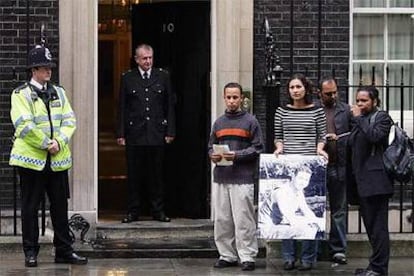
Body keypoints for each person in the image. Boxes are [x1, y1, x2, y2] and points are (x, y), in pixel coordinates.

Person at [9, 45, 87, 267]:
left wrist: (59, 141)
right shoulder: (20, 94)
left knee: (60, 207)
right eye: (45, 68)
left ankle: (64, 249)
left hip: (57, 160)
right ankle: (31, 252)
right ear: (34, 70)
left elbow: (70, 119)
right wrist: (45, 143)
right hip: (31, 161)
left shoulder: (59, 92)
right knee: (30, 208)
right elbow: (23, 125)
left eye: (50, 67)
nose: (49, 71)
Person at [274, 73, 327, 271]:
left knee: (310, 211)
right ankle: (288, 257)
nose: (295, 90)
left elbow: (322, 135)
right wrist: (279, 148)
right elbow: (278, 135)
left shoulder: (317, 111)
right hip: (289, 163)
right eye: (291, 87)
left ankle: (307, 258)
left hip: (310, 165)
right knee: (288, 210)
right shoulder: (281, 111)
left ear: (305, 88)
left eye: (298, 87)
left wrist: (320, 148)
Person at [116, 44, 175, 223]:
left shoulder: (163, 77)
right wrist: (121, 133)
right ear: (136, 59)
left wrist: (170, 130)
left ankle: (158, 211)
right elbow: (122, 108)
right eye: (144, 58)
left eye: (150, 58)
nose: (148, 61)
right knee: (134, 175)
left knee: (156, 175)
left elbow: (169, 106)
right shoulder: (128, 78)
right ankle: (133, 211)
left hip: (156, 133)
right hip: (135, 134)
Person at [208, 82, 264, 271]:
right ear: (224, 98)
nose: (232, 101)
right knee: (223, 219)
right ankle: (227, 254)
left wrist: (236, 155)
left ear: (241, 98)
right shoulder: (218, 123)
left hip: (242, 177)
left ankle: (247, 255)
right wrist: (212, 155)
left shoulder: (251, 121)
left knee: (243, 219)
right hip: (222, 176)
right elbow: (211, 145)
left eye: (235, 97)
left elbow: (257, 148)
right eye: (229, 97)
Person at [348, 86, 393, 276]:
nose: (359, 104)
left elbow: (374, 137)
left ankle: (379, 269)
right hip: (362, 183)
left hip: (376, 182)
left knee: (379, 228)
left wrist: (358, 118)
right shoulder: (361, 120)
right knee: (371, 228)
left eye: (364, 100)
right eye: (358, 100)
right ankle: (374, 266)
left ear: (374, 101)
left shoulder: (382, 118)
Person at [318, 77, 353, 264]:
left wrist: (340, 139)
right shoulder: (314, 110)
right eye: (328, 93)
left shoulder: (345, 110)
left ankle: (338, 249)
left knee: (339, 210)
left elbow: (354, 136)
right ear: (319, 93)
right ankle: (315, 247)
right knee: (315, 208)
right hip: (317, 166)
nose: (333, 96)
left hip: (339, 165)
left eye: (334, 92)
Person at [258, 166, 325, 240]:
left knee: (314, 225)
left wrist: (318, 221)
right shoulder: (282, 192)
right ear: (293, 177)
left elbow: (307, 211)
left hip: (278, 225)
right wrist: (313, 222)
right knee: (307, 229)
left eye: (306, 180)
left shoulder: (298, 192)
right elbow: (292, 219)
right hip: (266, 229)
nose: (303, 182)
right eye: (300, 178)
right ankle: (298, 250)